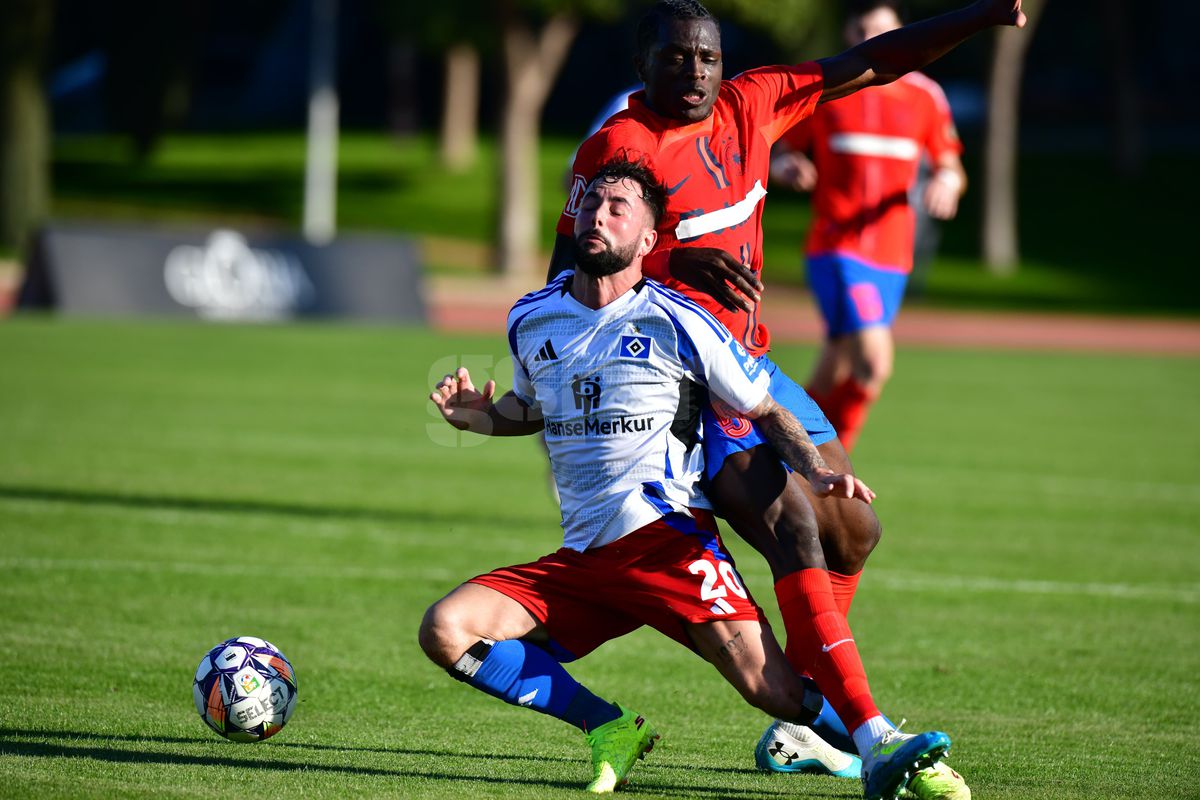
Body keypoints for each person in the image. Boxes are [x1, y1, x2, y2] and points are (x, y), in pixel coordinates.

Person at [547, 2, 1021, 797]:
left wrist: (975, 17)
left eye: (707, 58)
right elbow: (570, 277)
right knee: (795, 530)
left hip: (752, 370)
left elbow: (877, 60)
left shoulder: (751, 101)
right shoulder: (617, 150)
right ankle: (872, 739)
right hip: (677, 393)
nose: (695, 73)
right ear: (644, 62)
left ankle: (807, 726)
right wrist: (668, 264)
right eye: (676, 58)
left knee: (854, 531)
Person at [422, 159, 955, 800]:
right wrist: (479, 418)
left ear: (649, 240)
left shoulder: (678, 319)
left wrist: (816, 469)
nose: (599, 215)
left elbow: (764, 407)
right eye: (592, 203)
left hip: (670, 544)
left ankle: (884, 750)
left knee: (778, 693)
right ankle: (608, 726)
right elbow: (530, 408)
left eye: (619, 208)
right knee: (446, 629)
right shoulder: (532, 317)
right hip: (584, 558)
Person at [770, 0, 968, 452]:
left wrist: (948, 183)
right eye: (863, 28)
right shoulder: (828, 92)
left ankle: (787, 454)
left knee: (835, 368)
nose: (873, 38)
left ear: (903, 32)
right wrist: (788, 167)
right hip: (836, 245)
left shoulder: (925, 96)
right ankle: (839, 461)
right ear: (848, 34)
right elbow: (782, 152)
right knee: (874, 363)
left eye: (883, 29)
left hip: (893, 255)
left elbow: (951, 164)